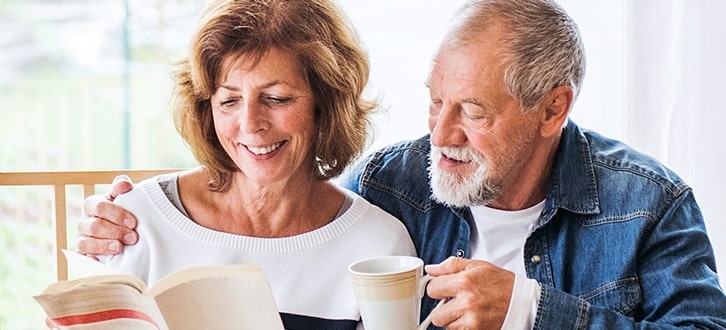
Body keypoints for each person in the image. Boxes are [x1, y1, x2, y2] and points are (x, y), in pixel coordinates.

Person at [77, 0, 726, 329]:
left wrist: (531, 311)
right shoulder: (393, 183)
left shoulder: (649, 204)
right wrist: (141, 212)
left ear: (553, 109)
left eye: (471, 110)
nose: (438, 134)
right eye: (433, 100)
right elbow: (285, 202)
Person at [62, 0, 417, 329]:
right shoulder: (135, 224)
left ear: (325, 104)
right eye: (229, 100)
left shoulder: (378, 246)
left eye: (276, 98)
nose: (250, 124)